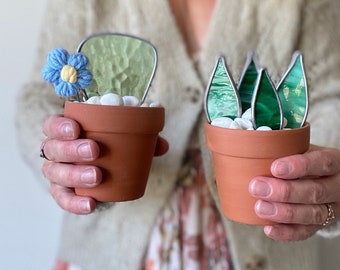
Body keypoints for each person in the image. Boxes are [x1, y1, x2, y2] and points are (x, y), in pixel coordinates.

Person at [16, 0, 340, 269]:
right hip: (106, 251)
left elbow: (330, 95)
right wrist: (62, 157)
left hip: (269, 248)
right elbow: (39, 96)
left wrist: (321, 179)